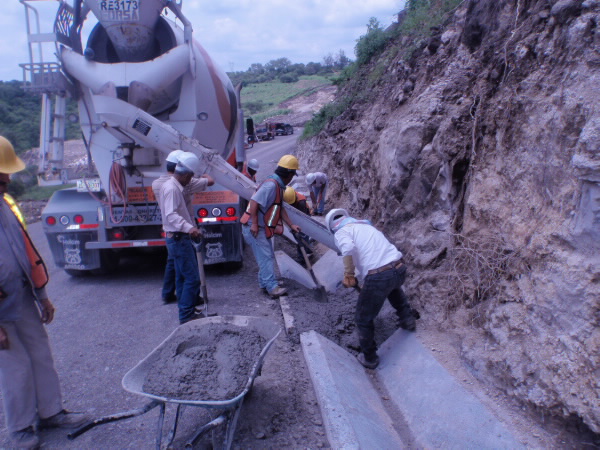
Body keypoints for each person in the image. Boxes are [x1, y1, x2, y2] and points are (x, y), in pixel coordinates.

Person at [0, 136, 88, 449]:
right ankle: (22, 429)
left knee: (40, 354)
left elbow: (23, 251)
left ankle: (51, 412)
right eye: (2, 173)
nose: (8, 178)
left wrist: (41, 296)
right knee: (15, 367)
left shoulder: (4, 205)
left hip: (21, 295)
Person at [326, 208, 417, 370]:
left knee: (362, 318)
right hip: (399, 267)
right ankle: (407, 319)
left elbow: (347, 248)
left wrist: (349, 274)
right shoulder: (366, 226)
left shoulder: (341, 232)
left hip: (379, 276)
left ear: (331, 227)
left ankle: (369, 357)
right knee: (393, 288)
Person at [152, 150, 214, 305]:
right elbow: (210, 181)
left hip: (173, 231)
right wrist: (190, 228)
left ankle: (173, 296)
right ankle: (187, 305)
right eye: (190, 175)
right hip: (181, 231)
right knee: (190, 275)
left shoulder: (158, 183)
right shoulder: (178, 185)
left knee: (176, 267)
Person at [241, 155, 301, 298]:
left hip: (261, 227)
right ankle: (272, 288)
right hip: (253, 227)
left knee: (265, 256)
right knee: (266, 256)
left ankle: (264, 283)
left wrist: (291, 224)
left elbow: (280, 207)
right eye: (293, 174)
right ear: (289, 174)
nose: (292, 178)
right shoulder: (271, 185)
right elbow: (254, 202)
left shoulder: (278, 186)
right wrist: (255, 224)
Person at [283, 186, 314, 262]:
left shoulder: (301, 202)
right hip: (294, 216)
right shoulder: (287, 196)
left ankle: (305, 254)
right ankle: (304, 253)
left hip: (304, 216)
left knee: (303, 235)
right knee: (298, 238)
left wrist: (295, 227)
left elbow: (302, 220)